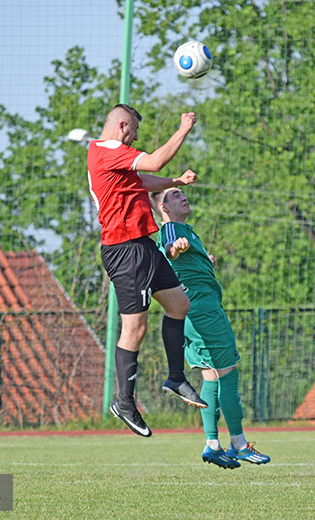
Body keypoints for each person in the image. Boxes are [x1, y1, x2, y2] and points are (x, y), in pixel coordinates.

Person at [87, 104, 207, 438]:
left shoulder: (113, 156)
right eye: (135, 133)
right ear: (122, 126)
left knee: (178, 304)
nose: (135, 139)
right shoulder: (106, 150)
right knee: (135, 329)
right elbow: (153, 161)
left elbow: (144, 178)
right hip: (124, 251)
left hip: (142, 246)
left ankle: (175, 378)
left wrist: (175, 181)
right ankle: (125, 402)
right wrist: (183, 129)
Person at [150, 186, 271, 468]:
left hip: (200, 307)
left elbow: (186, 259)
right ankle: (239, 443)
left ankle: (213, 444)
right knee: (228, 373)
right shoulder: (170, 229)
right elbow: (167, 249)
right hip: (201, 309)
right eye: (175, 194)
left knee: (212, 376)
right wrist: (175, 249)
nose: (183, 196)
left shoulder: (188, 230)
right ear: (164, 207)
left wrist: (205, 261)